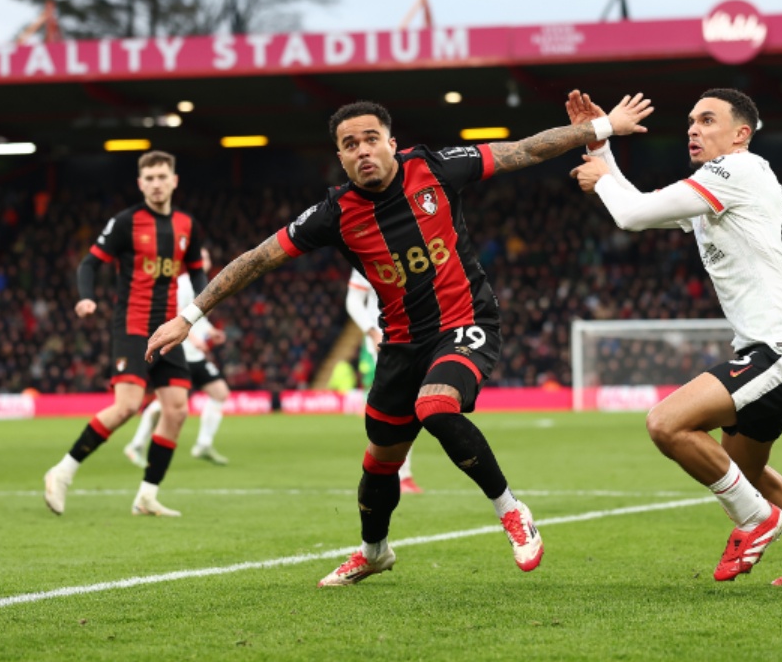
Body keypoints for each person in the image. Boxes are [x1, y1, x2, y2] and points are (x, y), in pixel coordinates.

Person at [145, 96, 653, 586]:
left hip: (466, 320)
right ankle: (373, 553)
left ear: (392, 142)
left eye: (371, 139)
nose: (363, 150)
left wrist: (602, 129)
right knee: (379, 463)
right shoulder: (334, 213)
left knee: (436, 406)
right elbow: (257, 258)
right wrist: (189, 316)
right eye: (350, 144)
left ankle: (512, 510)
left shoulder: (435, 168)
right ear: (340, 157)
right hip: (401, 344)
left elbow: (526, 148)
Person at [568, 88, 782, 586]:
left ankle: (754, 520)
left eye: (707, 120)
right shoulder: (718, 183)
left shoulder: (739, 171)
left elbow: (629, 214)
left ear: (741, 134)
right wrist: (601, 145)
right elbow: (639, 205)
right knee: (747, 472)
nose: (693, 129)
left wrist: (600, 178)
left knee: (666, 423)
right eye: (690, 122)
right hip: (781, 352)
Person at [43, 151, 208, 518]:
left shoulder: (187, 225)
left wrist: (200, 307)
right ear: (140, 183)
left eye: (162, 176)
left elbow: (197, 271)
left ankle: (147, 495)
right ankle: (62, 471)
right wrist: (86, 297)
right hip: (132, 326)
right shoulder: (125, 222)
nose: (156, 183)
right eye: (149, 178)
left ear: (174, 180)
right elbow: (89, 263)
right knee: (128, 406)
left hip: (168, 330)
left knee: (177, 410)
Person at [124, 247, 232, 468]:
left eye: (207, 256)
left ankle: (203, 443)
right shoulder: (182, 284)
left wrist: (210, 332)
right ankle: (135, 444)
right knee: (167, 404)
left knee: (219, 393)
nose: (205, 260)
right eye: (201, 257)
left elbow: (198, 318)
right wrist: (193, 340)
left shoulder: (203, 286)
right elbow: (176, 317)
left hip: (195, 355)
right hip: (181, 352)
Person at [346, 268, 422, 494]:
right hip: (384, 342)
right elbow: (353, 299)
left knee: (409, 406)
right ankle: (397, 474)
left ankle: (396, 473)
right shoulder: (368, 251)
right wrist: (372, 332)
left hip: (418, 339)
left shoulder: (421, 249)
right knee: (398, 407)